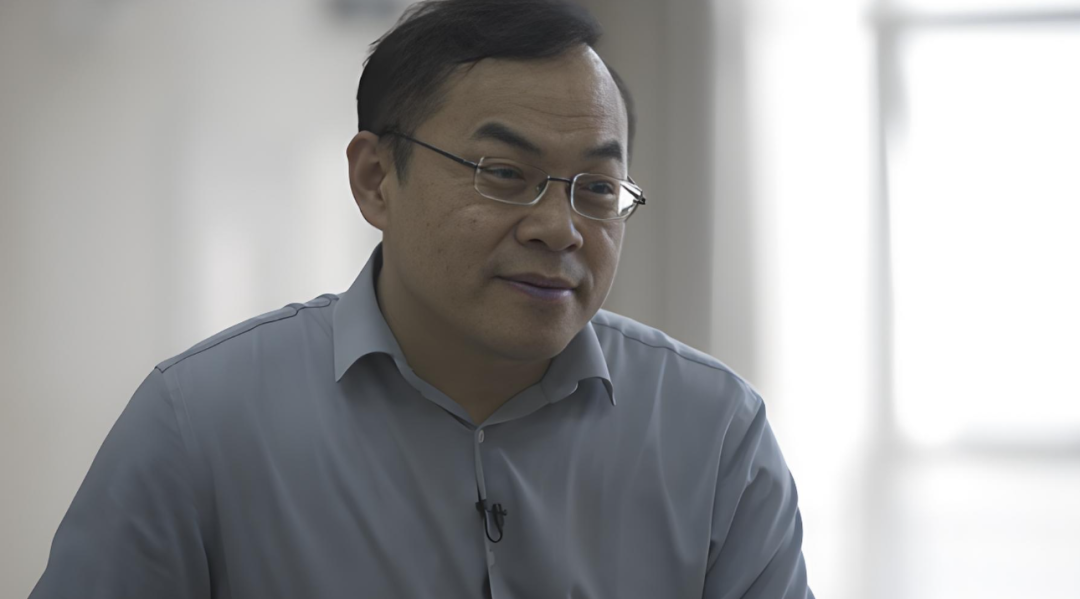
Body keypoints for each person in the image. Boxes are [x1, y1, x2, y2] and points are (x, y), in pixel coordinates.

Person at [28, 0, 814, 597]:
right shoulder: (199, 425)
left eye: (598, 189)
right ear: (376, 179)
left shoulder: (715, 436)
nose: (559, 228)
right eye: (504, 173)